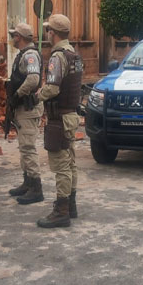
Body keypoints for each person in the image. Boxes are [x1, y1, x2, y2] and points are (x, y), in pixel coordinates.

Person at [36, 14, 83, 228]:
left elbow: (53, 87)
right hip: (70, 115)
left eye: (48, 31)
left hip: (59, 118)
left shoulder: (57, 57)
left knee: (60, 164)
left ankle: (61, 210)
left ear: (52, 33)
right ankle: (70, 205)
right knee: (70, 161)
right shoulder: (74, 55)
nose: (47, 34)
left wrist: (38, 94)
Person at [6, 22, 45, 205]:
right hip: (23, 108)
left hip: (28, 108)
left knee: (28, 147)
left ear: (19, 37)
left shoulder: (29, 55)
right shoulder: (24, 54)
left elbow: (33, 79)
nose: (12, 38)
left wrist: (17, 94)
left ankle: (36, 188)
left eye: (14, 35)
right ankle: (28, 182)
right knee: (24, 146)